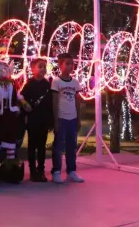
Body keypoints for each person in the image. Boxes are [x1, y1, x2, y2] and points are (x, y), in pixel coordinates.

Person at [51, 53, 84, 184]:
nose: (70, 66)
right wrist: (55, 120)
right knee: (58, 146)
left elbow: (77, 101)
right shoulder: (56, 81)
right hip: (61, 118)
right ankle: (56, 172)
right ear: (60, 65)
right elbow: (54, 101)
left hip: (73, 118)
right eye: (67, 63)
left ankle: (71, 171)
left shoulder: (75, 82)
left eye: (72, 63)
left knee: (72, 146)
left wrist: (78, 119)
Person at [20, 58, 53, 182]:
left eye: (44, 66)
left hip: (43, 120)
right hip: (33, 120)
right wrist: (25, 108)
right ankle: (33, 170)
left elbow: (50, 104)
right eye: (40, 66)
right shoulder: (29, 84)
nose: (43, 69)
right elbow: (22, 99)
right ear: (32, 69)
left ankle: (41, 170)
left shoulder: (47, 85)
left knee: (42, 146)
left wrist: (51, 120)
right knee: (32, 146)